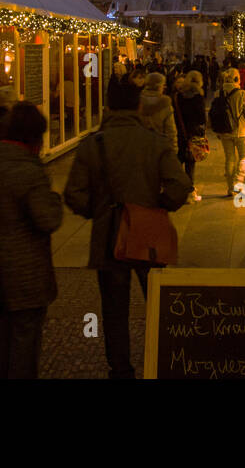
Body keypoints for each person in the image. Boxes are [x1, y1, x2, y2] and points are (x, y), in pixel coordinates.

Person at [63, 81, 190, 378]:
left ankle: (120, 369)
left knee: (114, 309)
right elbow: (180, 185)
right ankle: (165, 358)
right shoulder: (154, 142)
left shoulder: (93, 144)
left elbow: (74, 194)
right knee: (157, 301)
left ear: (108, 107)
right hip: (148, 234)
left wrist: (99, 212)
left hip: (109, 237)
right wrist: (158, 205)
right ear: (139, 106)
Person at [0, 103, 63, 378]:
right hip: (25, 271)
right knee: (24, 337)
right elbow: (48, 219)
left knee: (0, 329)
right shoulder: (29, 171)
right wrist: (54, 197)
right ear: (35, 137)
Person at [217, 67, 245, 197]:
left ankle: (230, 188)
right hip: (241, 131)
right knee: (244, 157)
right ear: (236, 79)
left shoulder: (218, 93)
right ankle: (238, 183)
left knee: (229, 159)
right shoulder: (243, 94)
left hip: (224, 131)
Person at [175, 71, 207, 201]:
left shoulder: (178, 96)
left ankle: (176, 188)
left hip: (180, 131)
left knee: (179, 158)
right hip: (193, 132)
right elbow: (201, 117)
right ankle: (189, 191)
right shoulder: (198, 97)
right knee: (190, 162)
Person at [139, 72, 178, 155]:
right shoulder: (165, 104)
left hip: (140, 146)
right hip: (159, 148)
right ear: (159, 86)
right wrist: (173, 150)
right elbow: (170, 131)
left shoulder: (137, 101)